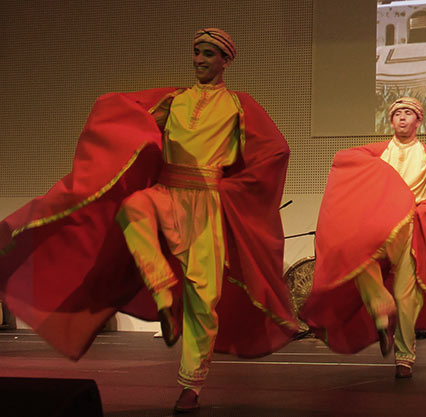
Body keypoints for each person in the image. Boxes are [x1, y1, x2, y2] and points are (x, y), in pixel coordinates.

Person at [0, 28, 299, 413]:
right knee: (134, 208)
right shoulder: (174, 100)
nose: (199, 59)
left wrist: (238, 189)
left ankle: (191, 385)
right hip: (167, 190)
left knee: (204, 300)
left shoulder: (239, 105)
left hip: (207, 202)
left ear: (226, 61)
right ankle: (162, 290)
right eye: (197, 51)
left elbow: (275, 150)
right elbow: (132, 127)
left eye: (209, 53)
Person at [300, 96, 426, 378]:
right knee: (355, 260)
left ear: (418, 121)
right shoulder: (377, 152)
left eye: (408, 113)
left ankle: (404, 356)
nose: (402, 118)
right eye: (397, 113)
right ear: (391, 121)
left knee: (405, 294)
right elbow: (344, 159)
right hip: (378, 226)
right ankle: (380, 307)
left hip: (408, 230)